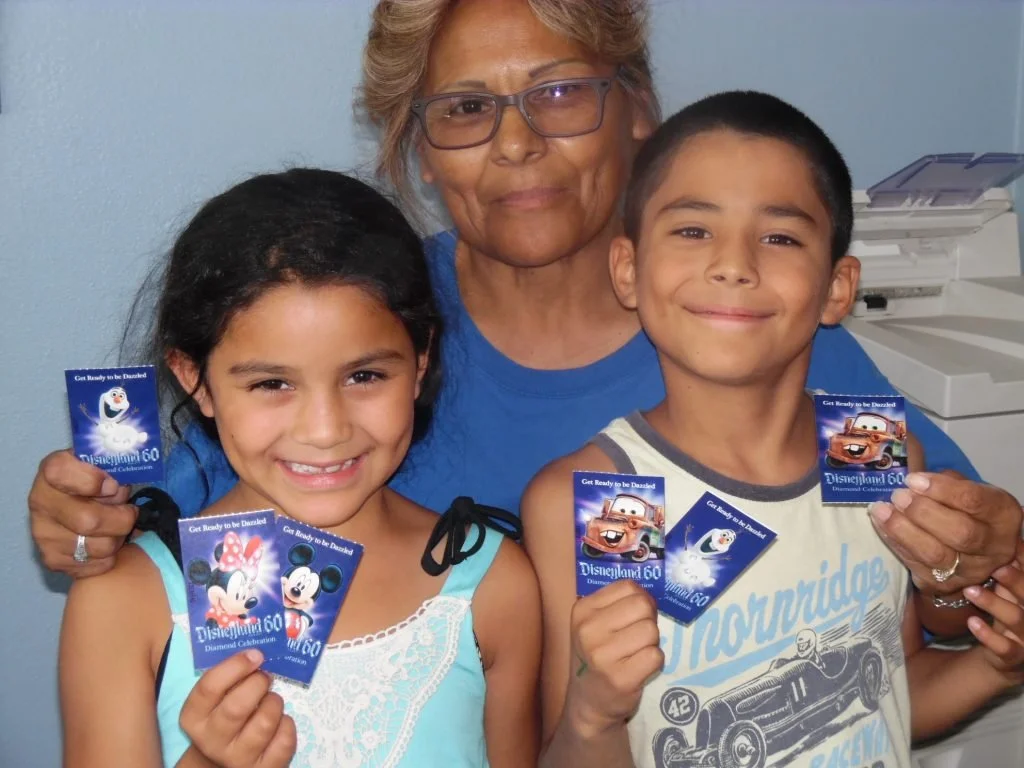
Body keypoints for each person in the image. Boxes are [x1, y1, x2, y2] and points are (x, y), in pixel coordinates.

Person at [30, 0, 1021, 616]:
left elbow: (939, 578)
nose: (513, 146)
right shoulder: (351, 328)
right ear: (417, 148)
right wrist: (92, 524)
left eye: (557, 95)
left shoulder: (760, 336)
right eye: (464, 108)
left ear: (637, 110)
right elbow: (159, 539)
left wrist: (967, 569)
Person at [521, 91, 1024, 768]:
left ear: (838, 289)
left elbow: (887, 692)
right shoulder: (615, 496)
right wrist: (591, 715)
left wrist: (999, 666)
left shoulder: (869, 450)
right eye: (693, 230)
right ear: (628, 270)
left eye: (780, 237)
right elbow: (582, 745)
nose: (735, 265)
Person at [59, 169, 541, 768]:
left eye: (364, 376)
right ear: (195, 381)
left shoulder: (494, 584)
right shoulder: (122, 603)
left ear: (421, 362)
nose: (325, 429)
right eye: (271, 383)